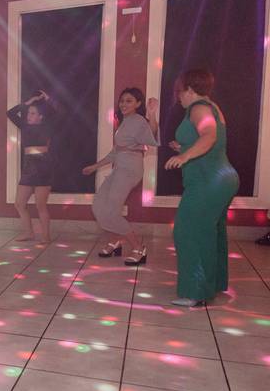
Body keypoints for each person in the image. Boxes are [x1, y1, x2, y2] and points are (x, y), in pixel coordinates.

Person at [164, 69, 239, 307]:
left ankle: (195, 291)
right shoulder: (212, 107)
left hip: (210, 179)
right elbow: (208, 142)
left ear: (190, 89)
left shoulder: (199, 108)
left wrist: (184, 156)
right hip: (221, 177)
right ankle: (211, 285)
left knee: (188, 230)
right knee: (209, 232)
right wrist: (184, 147)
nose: (178, 97)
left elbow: (209, 136)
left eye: (180, 92)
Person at [83, 88, 159, 265]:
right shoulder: (125, 122)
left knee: (111, 210)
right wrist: (95, 167)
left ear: (138, 104)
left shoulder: (139, 120)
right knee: (99, 206)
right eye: (122, 100)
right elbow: (116, 151)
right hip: (119, 168)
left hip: (130, 169)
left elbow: (152, 136)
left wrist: (152, 114)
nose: (124, 104)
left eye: (129, 101)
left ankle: (139, 248)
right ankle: (115, 241)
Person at [7, 91, 53, 242]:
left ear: (41, 117)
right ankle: (29, 233)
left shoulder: (47, 126)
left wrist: (48, 100)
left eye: (33, 113)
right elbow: (10, 113)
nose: (28, 116)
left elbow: (57, 114)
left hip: (43, 165)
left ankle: (45, 236)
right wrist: (29, 101)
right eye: (28, 113)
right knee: (19, 203)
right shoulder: (25, 126)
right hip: (29, 166)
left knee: (41, 205)